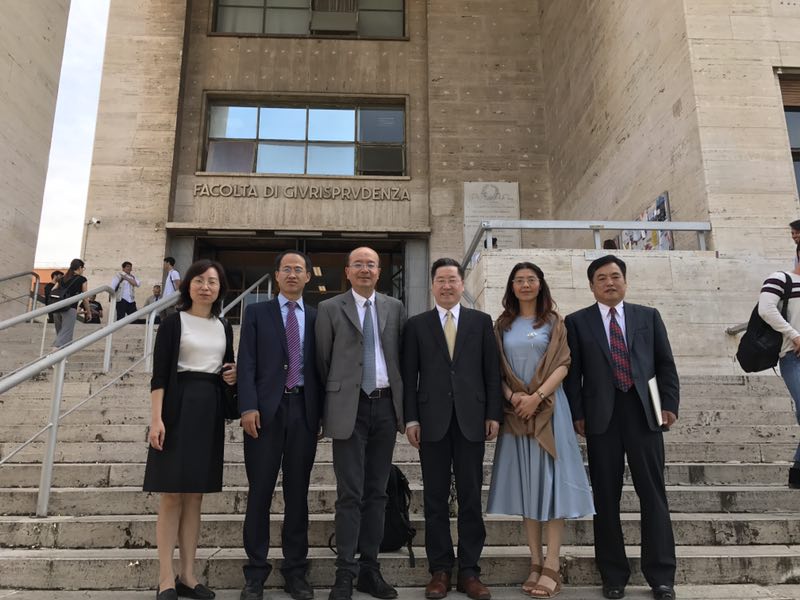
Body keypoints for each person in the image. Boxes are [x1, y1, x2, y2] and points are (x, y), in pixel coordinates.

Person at [564, 255, 679, 600]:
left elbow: (665, 363)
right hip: (602, 417)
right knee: (605, 496)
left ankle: (661, 576)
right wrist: (577, 413)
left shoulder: (648, 316)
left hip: (644, 412)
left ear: (625, 281)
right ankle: (613, 575)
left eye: (615, 276)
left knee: (653, 494)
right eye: (601, 278)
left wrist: (669, 405)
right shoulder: (577, 322)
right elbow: (573, 374)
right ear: (592, 286)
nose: (609, 282)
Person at [487, 262, 594, 598]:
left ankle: (552, 563)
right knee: (527, 486)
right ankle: (534, 561)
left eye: (531, 279)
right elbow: (495, 370)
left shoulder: (554, 322)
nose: (525, 285)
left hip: (550, 410)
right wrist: (514, 397)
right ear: (511, 286)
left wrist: (537, 397)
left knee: (553, 484)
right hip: (516, 413)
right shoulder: (501, 325)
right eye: (519, 280)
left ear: (540, 284)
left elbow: (563, 364)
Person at [402, 258, 501, 600]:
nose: (446, 286)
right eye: (440, 280)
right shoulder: (416, 325)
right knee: (435, 499)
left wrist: (493, 413)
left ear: (462, 284)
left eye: (452, 280)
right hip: (432, 422)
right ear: (432, 286)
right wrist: (411, 419)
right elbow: (409, 377)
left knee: (471, 497)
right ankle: (440, 570)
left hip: (472, 419)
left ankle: (470, 571)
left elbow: (491, 372)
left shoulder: (481, 322)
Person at [143, 259, 237, 600]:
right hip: (176, 406)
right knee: (171, 495)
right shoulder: (173, 322)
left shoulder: (224, 325)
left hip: (209, 408)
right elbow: (159, 374)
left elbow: (226, 366)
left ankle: (188, 575)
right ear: (188, 286)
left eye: (212, 281)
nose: (205, 287)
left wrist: (232, 375)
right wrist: (157, 419)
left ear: (220, 288)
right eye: (199, 280)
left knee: (195, 495)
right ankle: (165, 578)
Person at [315, 247, 405, 600]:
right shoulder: (329, 308)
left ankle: (370, 569)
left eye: (371, 264)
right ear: (347, 271)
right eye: (358, 264)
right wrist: (325, 411)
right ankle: (344, 572)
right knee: (349, 493)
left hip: (384, 407)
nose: (365, 269)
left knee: (377, 492)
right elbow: (322, 361)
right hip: (347, 408)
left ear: (379, 272)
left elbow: (400, 357)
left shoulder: (394, 307)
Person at [238, 250, 323, 600]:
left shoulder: (318, 317)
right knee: (260, 492)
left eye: (298, 269)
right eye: (286, 269)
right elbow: (246, 362)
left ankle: (295, 571)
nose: (292, 274)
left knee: (297, 494)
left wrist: (322, 413)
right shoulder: (257, 313)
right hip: (265, 414)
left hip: (304, 410)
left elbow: (323, 367)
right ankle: (255, 573)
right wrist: (248, 406)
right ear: (276, 275)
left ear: (308, 277)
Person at [757, 242, 800, 489]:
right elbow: (766, 309)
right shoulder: (782, 279)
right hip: (794, 356)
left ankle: (797, 470)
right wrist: (794, 335)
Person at [52, 259, 90, 348]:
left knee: (61, 335)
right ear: (80, 267)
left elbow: (53, 290)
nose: (82, 270)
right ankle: (52, 354)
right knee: (65, 336)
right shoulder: (82, 279)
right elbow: (85, 298)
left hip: (57, 308)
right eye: (83, 268)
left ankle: (62, 356)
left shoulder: (62, 279)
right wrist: (88, 312)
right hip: (70, 308)